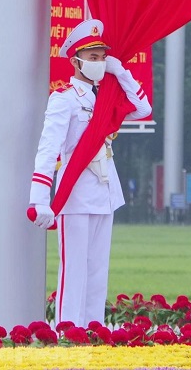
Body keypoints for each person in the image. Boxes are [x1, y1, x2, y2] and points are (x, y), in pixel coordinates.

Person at [29, 19, 151, 327]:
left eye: (101, 56)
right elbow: (49, 149)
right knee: (74, 272)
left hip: (105, 192)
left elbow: (142, 108)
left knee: (98, 271)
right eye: (93, 57)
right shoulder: (64, 99)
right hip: (76, 193)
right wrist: (40, 199)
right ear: (75, 60)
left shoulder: (107, 96)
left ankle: (94, 332)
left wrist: (119, 71)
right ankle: (68, 333)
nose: (99, 62)